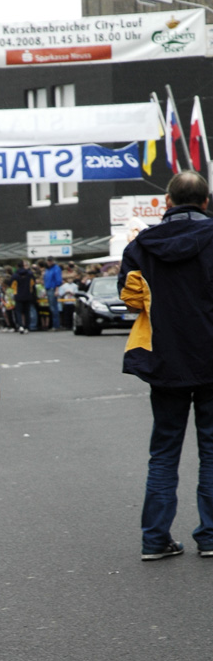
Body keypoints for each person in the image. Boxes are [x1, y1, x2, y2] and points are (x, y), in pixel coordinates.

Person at [118, 169, 213, 560]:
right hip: (210, 360)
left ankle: (155, 539)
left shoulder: (142, 246)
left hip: (164, 360)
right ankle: (209, 537)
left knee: (164, 450)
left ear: (167, 203)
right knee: (211, 450)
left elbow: (131, 299)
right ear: (206, 202)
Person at [43, 255, 63, 330]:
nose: (49, 262)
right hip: (48, 289)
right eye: (48, 260)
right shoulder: (47, 269)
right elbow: (46, 279)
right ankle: (53, 324)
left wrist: (57, 290)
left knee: (54, 308)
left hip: (53, 288)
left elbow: (58, 280)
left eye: (50, 261)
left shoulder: (56, 268)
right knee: (51, 308)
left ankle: (56, 325)